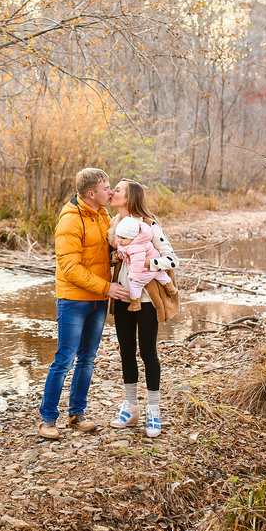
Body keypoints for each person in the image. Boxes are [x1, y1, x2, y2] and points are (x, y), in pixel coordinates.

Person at [38, 168, 129, 439]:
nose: (110, 192)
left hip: (98, 300)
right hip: (73, 300)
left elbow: (107, 253)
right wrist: (106, 287)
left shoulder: (102, 216)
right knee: (64, 359)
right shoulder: (70, 221)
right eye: (106, 188)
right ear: (91, 194)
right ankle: (47, 420)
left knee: (87, 359)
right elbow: (68, 267)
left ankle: (77, 415)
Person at [106, 179, 180, 438]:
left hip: (147, 301)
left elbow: (172, 258)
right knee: (125, 351)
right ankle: (130, 407)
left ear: (130, 198)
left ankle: (153, 410)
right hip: (123, 298)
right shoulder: (113, 226)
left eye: (118, 190)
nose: (113, 192)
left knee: (148, 352)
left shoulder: (149, 225)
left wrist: (146, 264)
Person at [113, 216, 178, 312]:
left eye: (123, 238)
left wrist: (134, 276)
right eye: (118, 237)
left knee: (135, 286)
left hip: (145, 273)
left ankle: (135, 304)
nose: (119, 240)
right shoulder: (140, 236)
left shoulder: (135, 247)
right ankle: (171, 288)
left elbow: (137, 264)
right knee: (163, 276)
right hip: (155, 270)